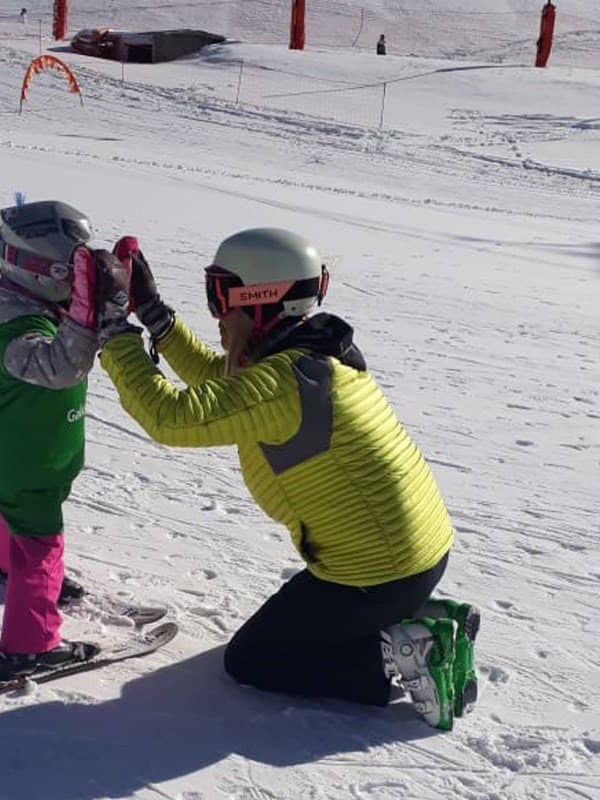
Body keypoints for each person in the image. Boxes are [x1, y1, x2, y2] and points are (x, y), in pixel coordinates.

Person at [97, 229, 479, 730]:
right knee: (284, 635)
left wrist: (111, 330)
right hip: (405, 557)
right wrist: (153, 315)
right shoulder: (307, 360)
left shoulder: (286, 385)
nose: (215, 314)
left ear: (255, 300)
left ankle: (402, 658)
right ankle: (415, 616)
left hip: (373, 575)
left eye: (218, 295)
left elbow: (169, 416)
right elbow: (221, 381)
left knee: (255, 660)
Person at [0, 200, 129, 684]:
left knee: (14, 507)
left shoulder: (26, 306)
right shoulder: (20, 330)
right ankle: (31, 646)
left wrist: (113, 302)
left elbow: (78, 338)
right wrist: (82, 316)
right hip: (27, 456)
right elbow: (61, 367)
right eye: (72, 275)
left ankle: (0, 561)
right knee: (41, 541)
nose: (79, 286)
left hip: (18, 449)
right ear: (42, 272)